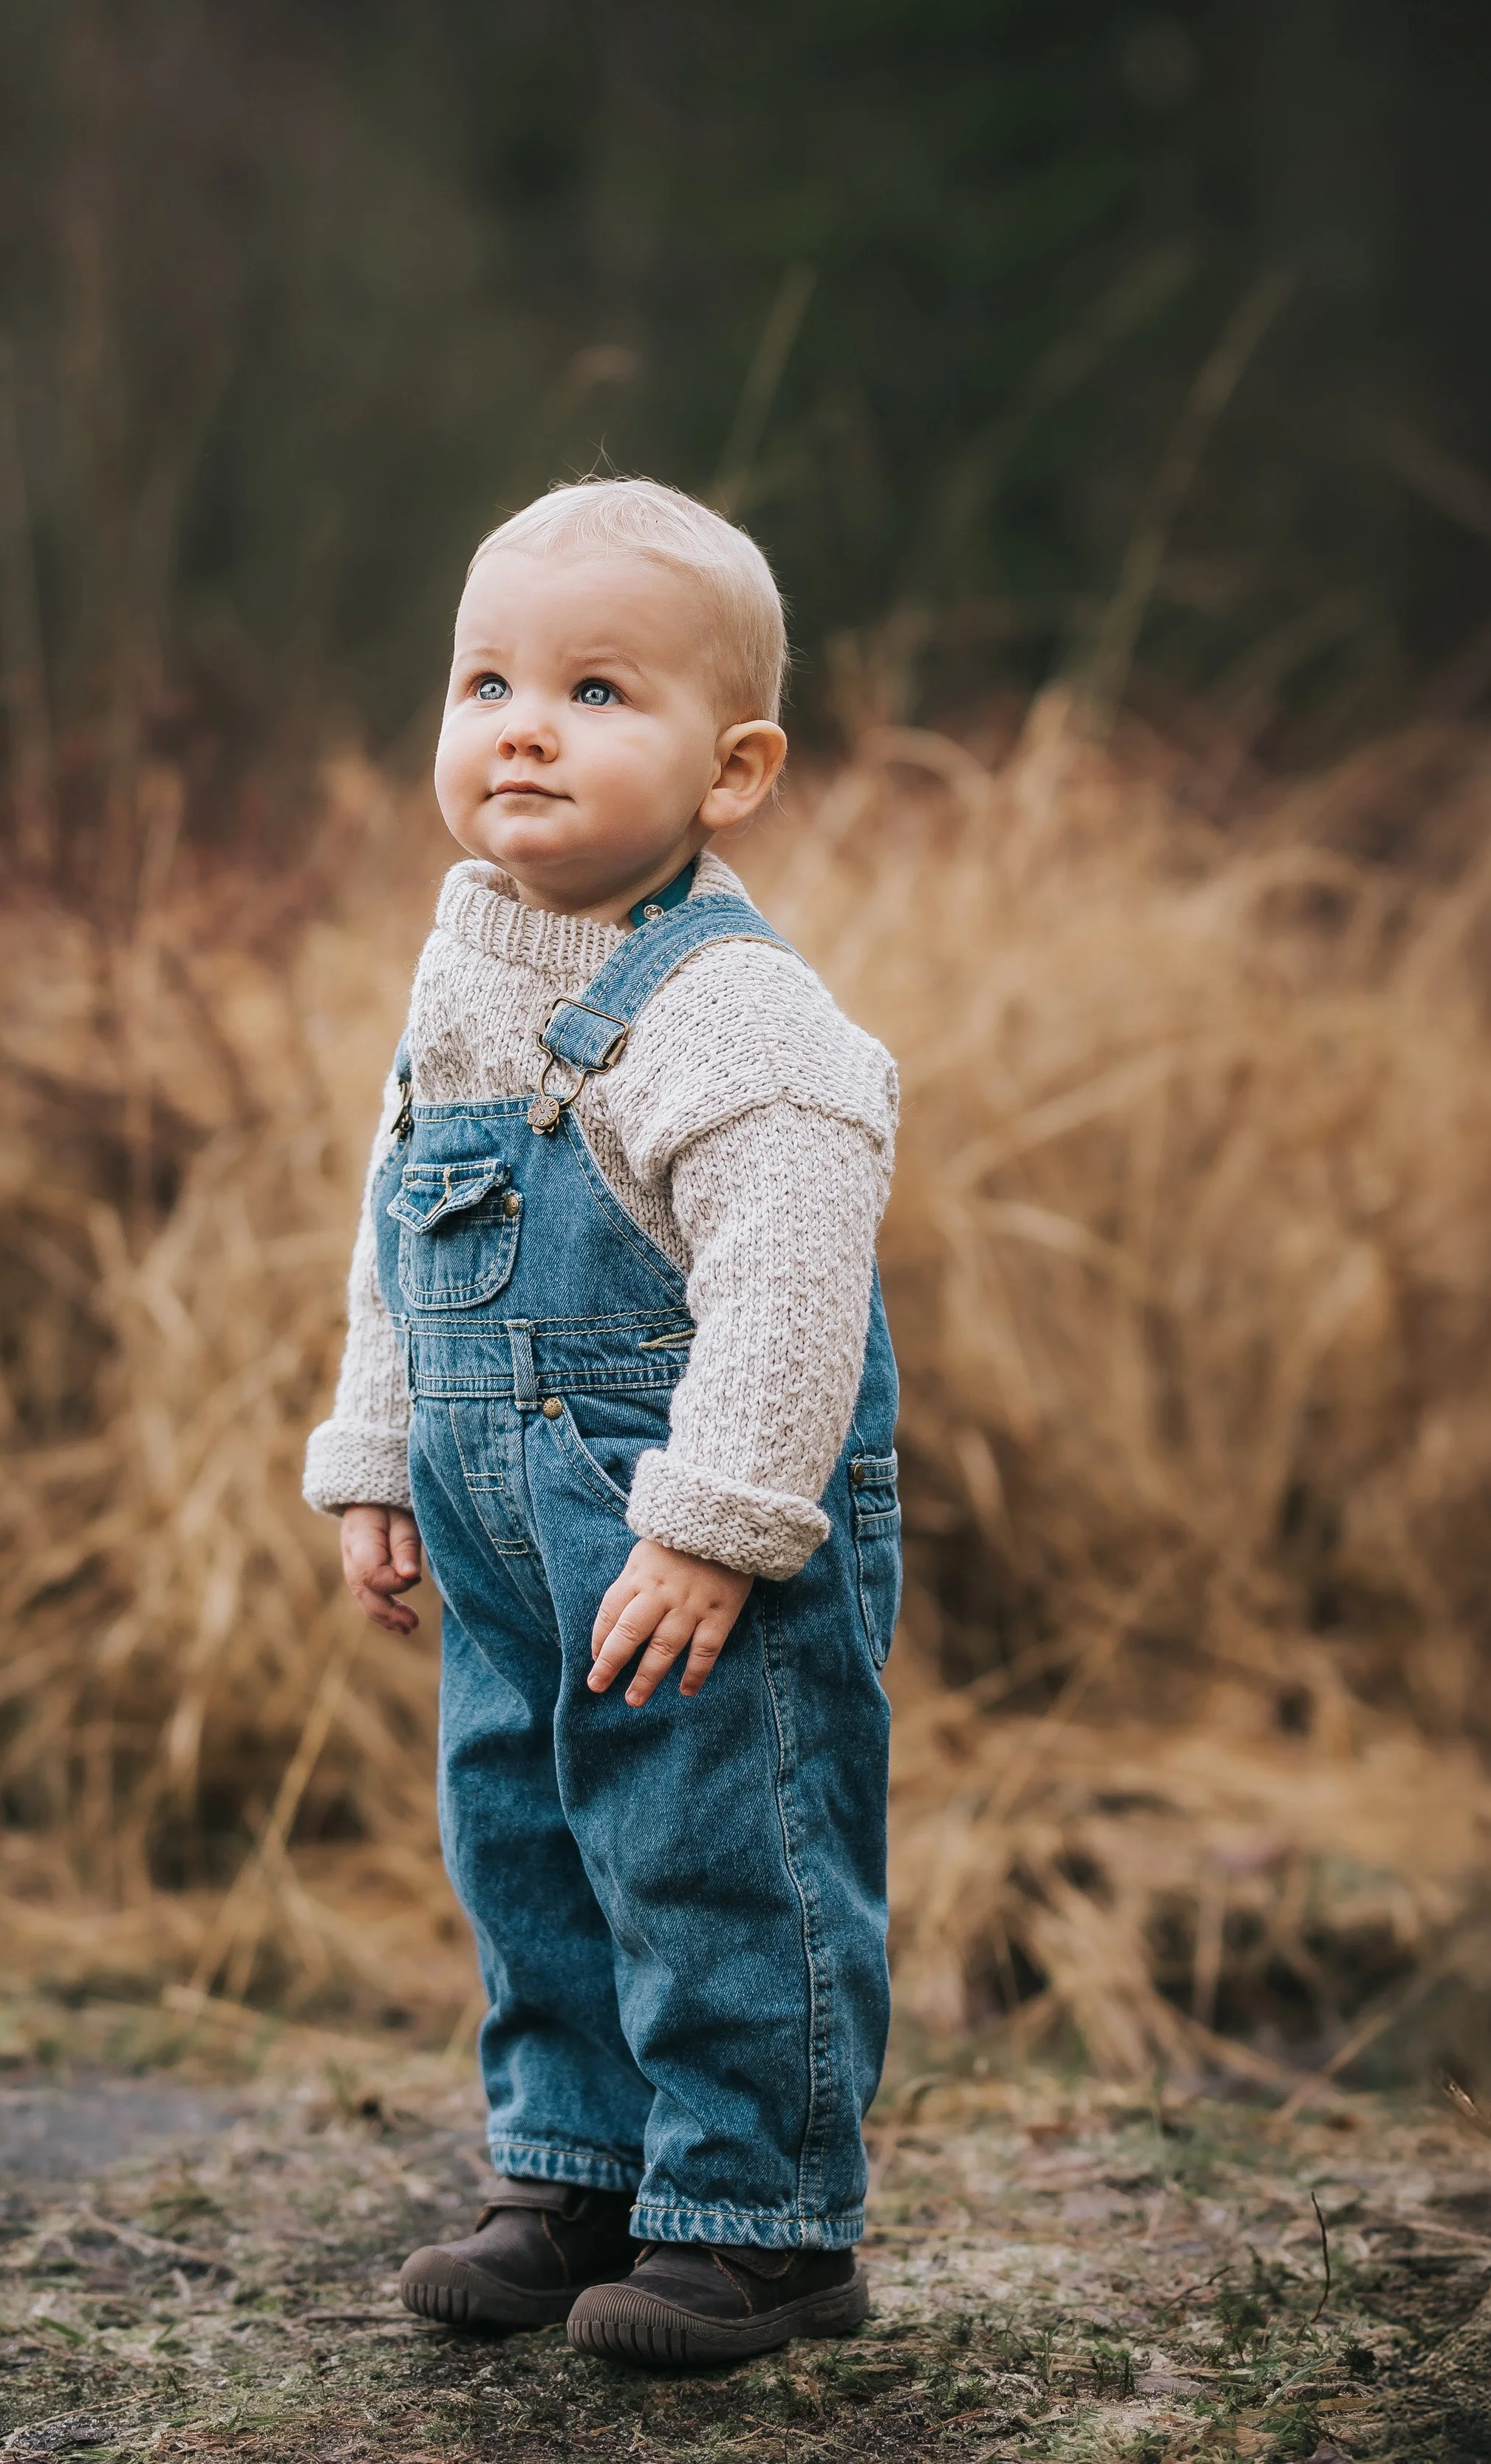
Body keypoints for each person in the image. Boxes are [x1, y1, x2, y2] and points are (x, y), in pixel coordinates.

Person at [303, 477, 901, 2367]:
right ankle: (574, 2164)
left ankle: (759, 2216)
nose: (520, 726)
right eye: (484, 682)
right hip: (508, 1527)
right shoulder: (469, 957)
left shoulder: (737, 1016)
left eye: (592, 688)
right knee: (529, 1829)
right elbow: (401, 1215)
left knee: (714, 1839)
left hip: (686, 1533)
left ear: (732, 771)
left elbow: (793, 1287)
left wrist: (716, 1519)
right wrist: (378, 1450)